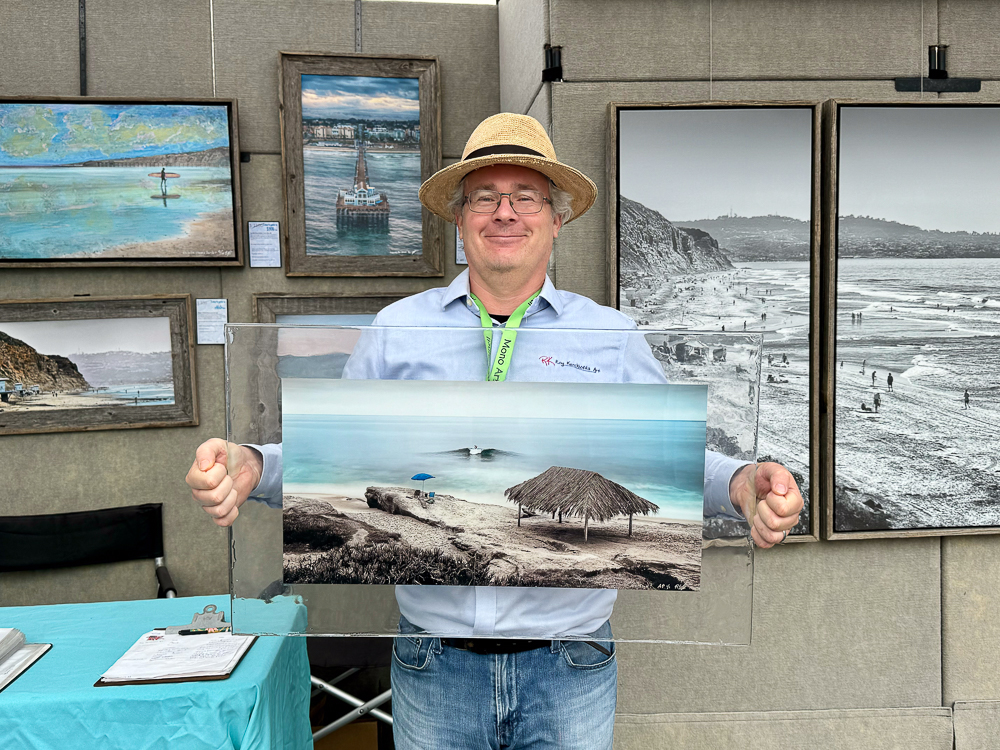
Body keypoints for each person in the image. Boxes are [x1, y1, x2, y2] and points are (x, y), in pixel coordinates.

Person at [185, 114, 803, 750]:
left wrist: (738, 481)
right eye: (486, 197)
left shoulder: (611, 338)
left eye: (526, 197)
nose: (505, 212)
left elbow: (675, 459)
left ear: (555, 218)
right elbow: (326, 457)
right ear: (461, 218)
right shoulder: (397, 330)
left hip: (571, 667)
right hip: (434, 665)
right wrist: (253, 465)